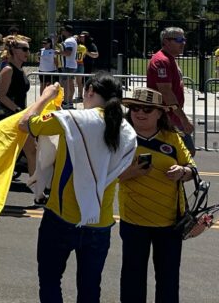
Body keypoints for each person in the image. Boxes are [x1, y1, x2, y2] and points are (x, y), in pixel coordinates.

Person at [20, 74, 137, 303]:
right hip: (100, 221)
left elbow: (26, 123)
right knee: (90, 289)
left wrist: (46, 96)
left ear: (90, 90)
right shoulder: (127, 131)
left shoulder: (73, 119)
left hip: (62, 217)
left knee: (51, 281)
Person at [117, 87, 196, 303]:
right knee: (132, 280)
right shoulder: (122, 137)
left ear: (160, 113)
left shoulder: (172, 138)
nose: (140, 113)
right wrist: (131, 172)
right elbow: (106, 175)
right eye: (135, 108)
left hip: (169, 222)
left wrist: (183, 172)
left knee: (168, 281)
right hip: (133, 220)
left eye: (147, 109)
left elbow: (192, 167)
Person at [0, 35, 36, 180]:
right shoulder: (8, 70)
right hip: (9, 118)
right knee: (1, 157)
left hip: (18, 118)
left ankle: (38, 192)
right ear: (13, 50)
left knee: (32, 152)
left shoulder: (20, 70)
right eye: (24, 49)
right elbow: (1, 96)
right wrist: (18, 111)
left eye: (28, 49)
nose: (27, 52)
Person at [147, 27, 195, 156]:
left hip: (171, 116)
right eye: (179, 39)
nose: (183, 43)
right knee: (185, 153)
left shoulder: (170, 59)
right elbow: (166, 93)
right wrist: (183, 119)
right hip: (164, 118)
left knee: (182, 153)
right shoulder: (162, 61)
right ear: (166, 41)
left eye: (184, 39)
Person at [59, 25, 79, 109]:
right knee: (70, 84)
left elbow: (68, 53)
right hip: (72, 65)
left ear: (67, 31)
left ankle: (66, 102)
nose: (62, 31)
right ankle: (70, 102)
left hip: (68, 65)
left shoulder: (69, 41)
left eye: (63, 30)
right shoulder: (73, 40)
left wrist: (58, 52)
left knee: (66, 84)